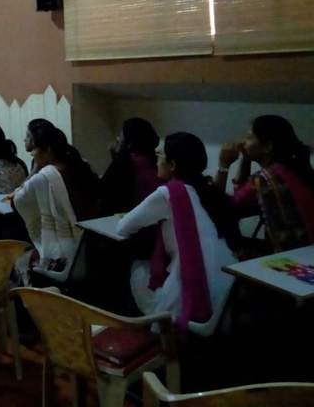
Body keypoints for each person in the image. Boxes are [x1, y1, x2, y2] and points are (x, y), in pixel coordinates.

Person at [116, 132, 237, 329]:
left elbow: (123, 227)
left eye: (160, 156)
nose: (157, 161)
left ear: (172, 165)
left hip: (192, 292)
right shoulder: (209, 190)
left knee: (138, 268)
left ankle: (145, 336)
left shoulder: (170, 193)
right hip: (226, 293)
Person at [11, 120, 99, 280]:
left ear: (48, 150)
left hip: (62, 252)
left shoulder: (44, 177)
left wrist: (34, 171)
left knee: (20, 261)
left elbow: (17, 201)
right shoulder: (81, 165)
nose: (32, 154)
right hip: (89, 243)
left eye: (35, 150)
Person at [217, 115, 314, 253]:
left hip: (288, 257)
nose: (244, 142)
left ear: (267, 146)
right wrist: (245, 160)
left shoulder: (265, 179)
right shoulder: (297, 169)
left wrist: (223, 165)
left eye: (249, 137)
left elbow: (223, 209)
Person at [98, 118, 161, 216]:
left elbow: (103, 191)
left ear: (129, 141)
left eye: (121, 135)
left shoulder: (124, 162)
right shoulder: (155, 160)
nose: (118, 138)